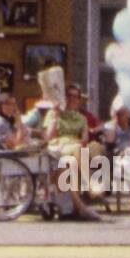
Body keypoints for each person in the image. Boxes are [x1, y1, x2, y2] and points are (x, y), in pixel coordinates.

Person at [39, 67, 102, 221]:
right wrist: (55, 115)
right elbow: (48, 137)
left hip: (75, 149)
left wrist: (85, 140)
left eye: (76, 96)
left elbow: (84, 139)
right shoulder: (53, 113)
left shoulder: (82, 118)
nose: (73, 99)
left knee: (74, 160)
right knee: (75, 152)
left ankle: (77, 207)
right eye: (70, 95)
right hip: (57, 146)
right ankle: (90, 184)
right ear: (64, 97)